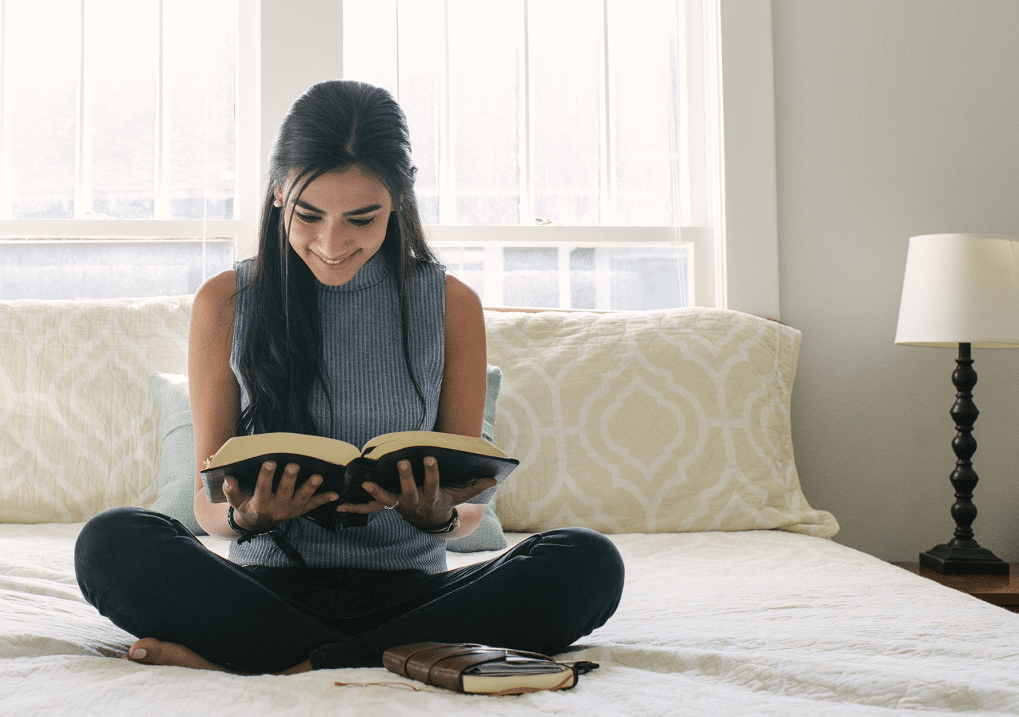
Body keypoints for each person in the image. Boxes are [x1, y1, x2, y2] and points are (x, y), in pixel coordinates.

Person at [75, 80, 623, 675]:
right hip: (263, 590)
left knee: (587, 561)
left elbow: (466, 508)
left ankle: (288, 657)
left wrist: (433, 514)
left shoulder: (449, 305)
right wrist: (250, 517)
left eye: (362, 218)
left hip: (415, 592)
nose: (332, 244)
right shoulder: (229, 300)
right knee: (111, 543)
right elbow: (210, 509)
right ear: (278, 192)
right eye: (308, 215)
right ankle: (383, 655)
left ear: (400, 201)